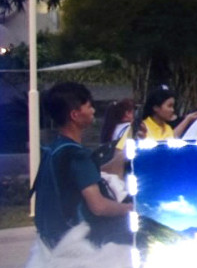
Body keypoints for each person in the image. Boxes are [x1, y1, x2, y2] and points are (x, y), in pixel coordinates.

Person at [33, 83, 136, 251]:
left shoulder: (54, 150)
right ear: (75, 115)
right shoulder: (78, 155)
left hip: (51, 240)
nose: (93, 111)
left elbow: (89, 174)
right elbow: (99, 207)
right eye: (89, 106)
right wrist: (131, 209)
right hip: (80, 244)